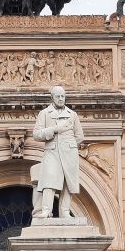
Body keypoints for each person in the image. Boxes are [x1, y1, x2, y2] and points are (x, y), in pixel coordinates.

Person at [32, 86, 84, 218]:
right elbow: (36, 134)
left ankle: (65, 211)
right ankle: (46, 210)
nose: (61, 99)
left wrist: (69, 145)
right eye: (58, 96)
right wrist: (55, 129)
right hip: (52, 151)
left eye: (63, 96)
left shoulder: (72, 115)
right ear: (52, 98)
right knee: (49, 180)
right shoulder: (44, 113)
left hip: (69, 152)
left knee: (68, 181)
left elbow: (79, 136)